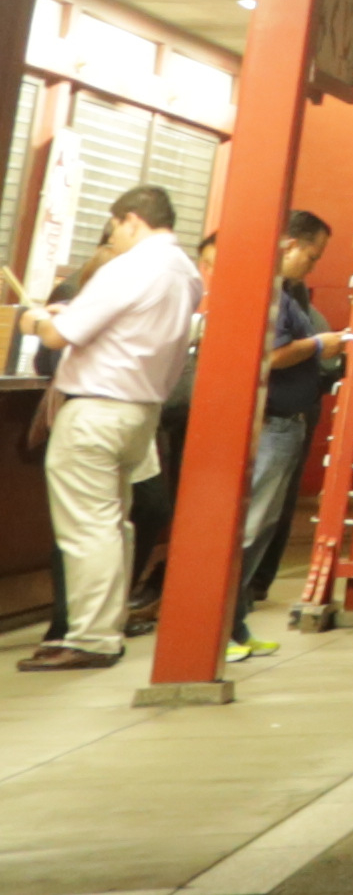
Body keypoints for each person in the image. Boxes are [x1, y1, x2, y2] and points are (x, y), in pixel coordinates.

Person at [8, 184, 201, 674]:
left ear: (130, 219)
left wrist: (32, 319)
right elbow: (125, 328)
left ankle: (90, 638)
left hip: (96, 411)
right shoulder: (185, 271)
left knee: (87, 528)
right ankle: (105, 631)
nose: (111, 237)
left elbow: (56, 336)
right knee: (114, 525)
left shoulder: (130, 266)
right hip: (139, 413)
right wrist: (67, 314)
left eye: (114, 227)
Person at [226, 209, 353, 659]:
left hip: (287, 425)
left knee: (260, 530)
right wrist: (322, 344)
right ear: (291, 246)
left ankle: (236, 626)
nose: (313, 267)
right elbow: (269, 355)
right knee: (247, 529)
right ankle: (220, 630)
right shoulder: (270, 295)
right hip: (273, 425)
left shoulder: (285, 295)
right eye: (313, 257)